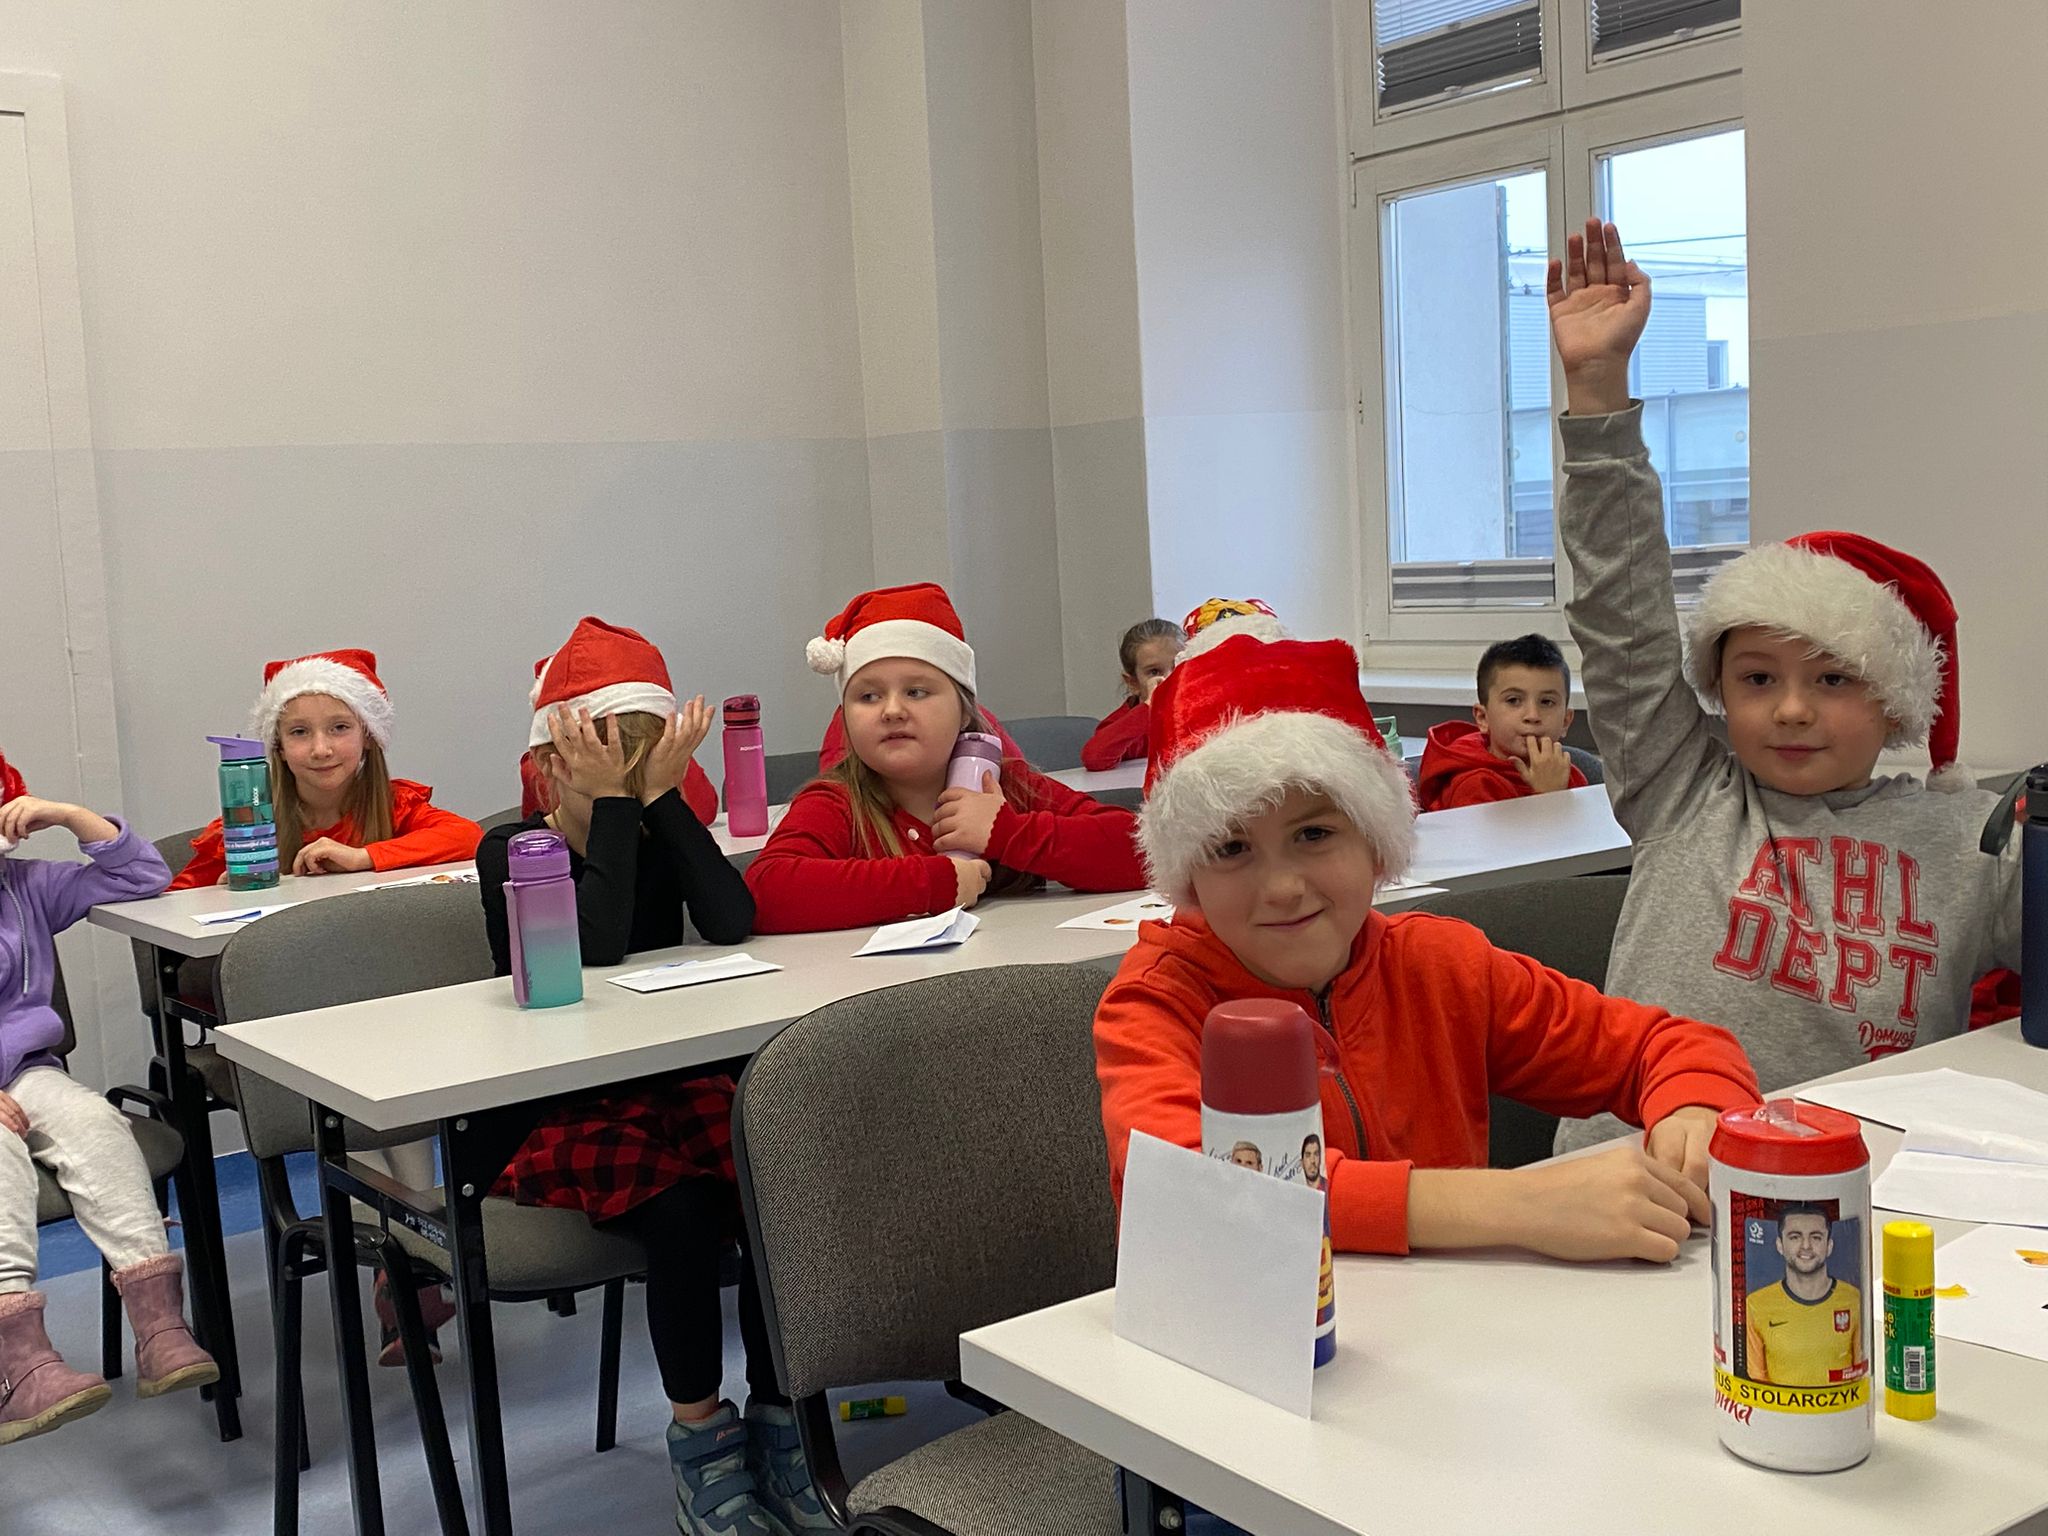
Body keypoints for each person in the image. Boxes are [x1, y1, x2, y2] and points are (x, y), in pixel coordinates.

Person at [1544, 219, 2020, 1151]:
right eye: (1758, 677)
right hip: (1636, 1178)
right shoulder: (1684, 790)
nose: (1792, 709)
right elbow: (1621, 613)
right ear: (1719, 688)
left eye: (1833, 679)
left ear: (1894, 702)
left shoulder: (1971, 842)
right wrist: (1597, 393)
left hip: (1851, 1190)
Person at [1094, 633, 1762, 1263]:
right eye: (1232, 848)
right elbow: (1201, 1194)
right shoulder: (1157, 1003)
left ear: (1376, 841)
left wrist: (1693, 1110)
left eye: (1314, 835)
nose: (1282, 887)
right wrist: (1518, 1204)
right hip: (1257, 1332)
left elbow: (1666, 1046)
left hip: (1446, 1326)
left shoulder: (1440, 966)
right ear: (1188, 873)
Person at [476, 617, 825, 1536]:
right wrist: (616, 812)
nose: (620, 792)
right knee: (681, 1212)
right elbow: (588, 946)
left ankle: (782, 1421)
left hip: (670, 1082)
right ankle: (703, 1441)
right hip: (562, 1105)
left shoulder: (654, 822)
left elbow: (733, 918)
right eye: (600, 773)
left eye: (635, 772)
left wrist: (662, 804)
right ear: (546, 767)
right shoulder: (513, 849)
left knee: (771, 1183)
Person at [0, 754, 217, 1446]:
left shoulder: (24, 885)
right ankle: (21, 1366)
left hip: (25, 1070)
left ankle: (160, 1328)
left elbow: (142, 878)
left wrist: (69, 816)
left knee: (97, 1124)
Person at [746, 583, 1146, 932]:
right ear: (845, 718)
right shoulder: (837, 802)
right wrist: (933, 882)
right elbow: (768, 891)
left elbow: (1144, 852)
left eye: (916, 692)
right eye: (868, 696)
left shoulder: (1006, 787)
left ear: (965, 712)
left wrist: (1007, 832)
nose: (892, 710)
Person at [170, 649, 480, 887]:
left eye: (339, 728)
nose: (321, 750)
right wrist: (218, 893)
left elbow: (467, 837)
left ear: (368, 736)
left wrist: (361, 858)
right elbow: (171, 907)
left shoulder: (394, 807)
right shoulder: (249, 826)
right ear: (279, 747)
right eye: (299, 732)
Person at [1416, 634, 1589, 811]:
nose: (1532, 715)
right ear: (1483, 718)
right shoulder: (1474, 785)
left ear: (1566, 721)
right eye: (1513, 700)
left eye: (1546, 702)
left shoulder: (1567, 773)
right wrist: (1549, 797)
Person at [1743, 1204, 1864, 1386]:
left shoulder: (1853, 1299)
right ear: (1780, 1245)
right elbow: (1756, 1380)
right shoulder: (1756, 1303)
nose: (1806, 1246)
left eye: (1816, 1237)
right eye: (1795, 1237)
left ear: (1829, 1246)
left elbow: (1860, 1376)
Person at [1079, 618, 1185, 772]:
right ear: (1133, 683)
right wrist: (1149, 708)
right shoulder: (1128, 722)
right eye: (1154, 671)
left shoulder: (1203, 710)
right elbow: (1094, 759)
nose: (1169, 679)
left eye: (1179, 665)